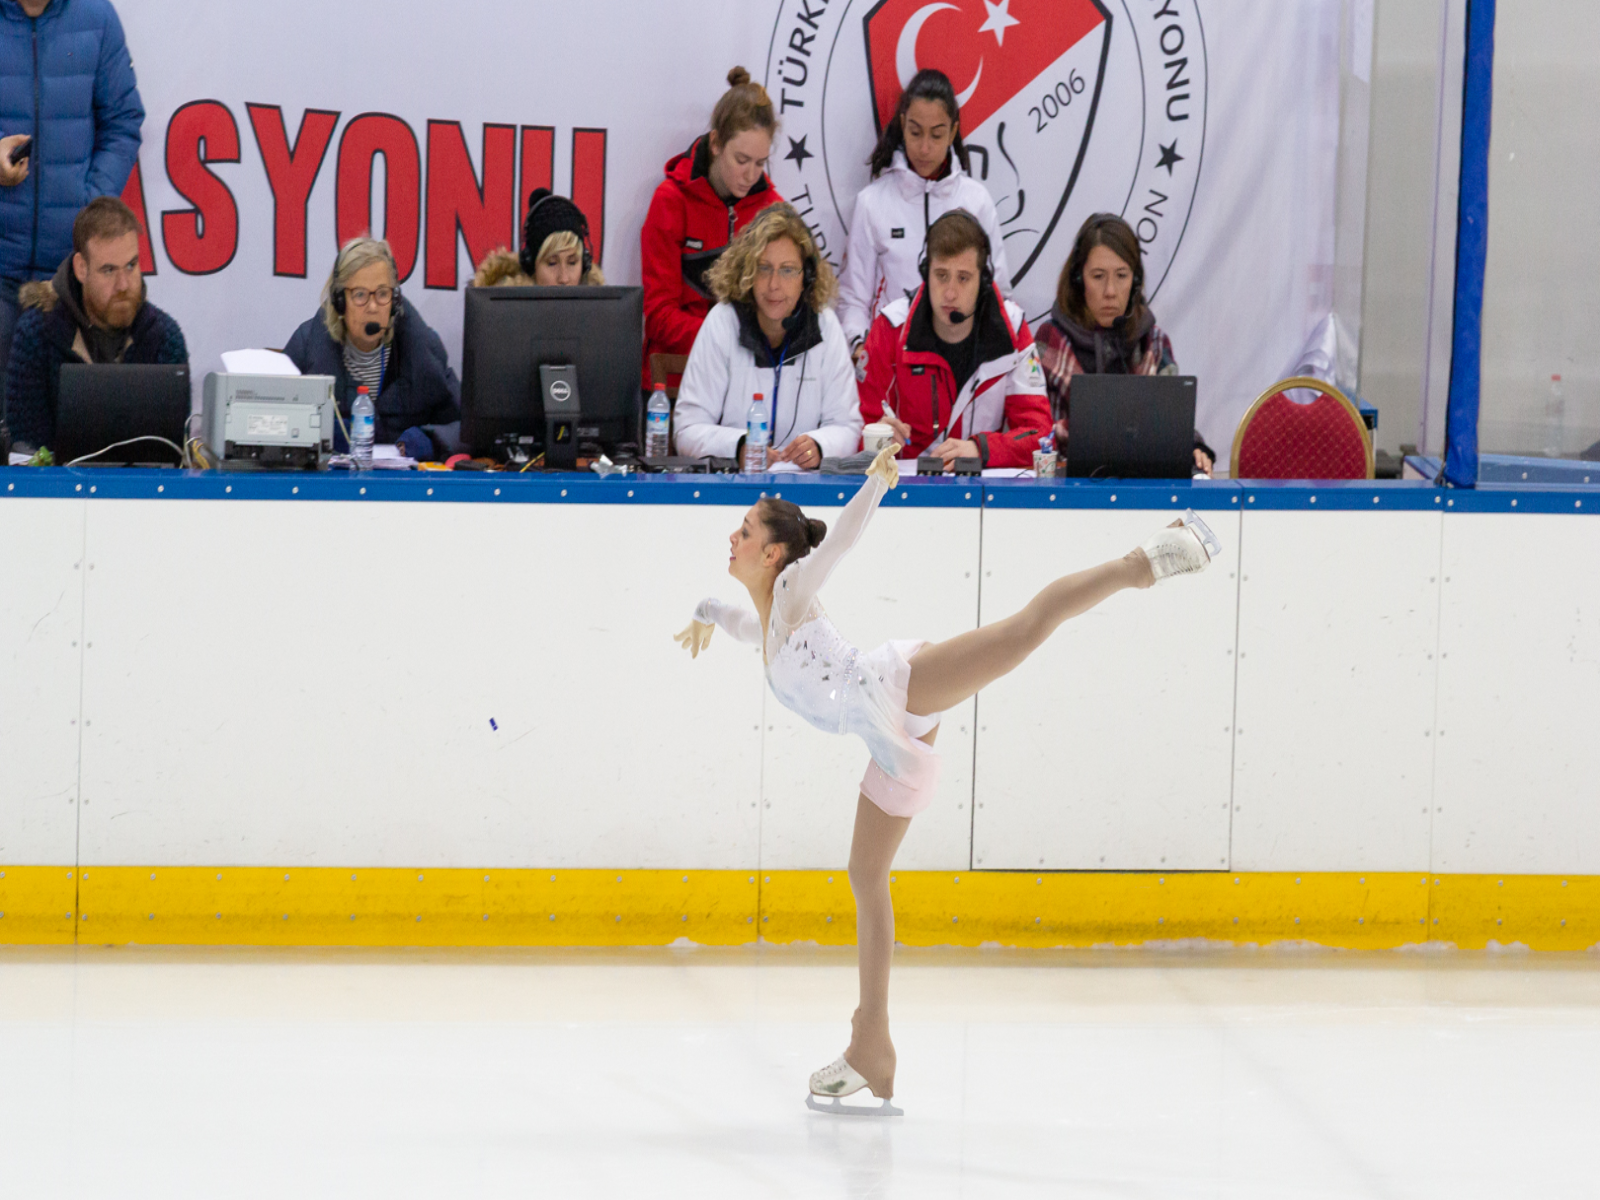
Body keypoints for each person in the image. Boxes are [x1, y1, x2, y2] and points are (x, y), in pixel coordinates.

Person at [674, 446, 1220, 1113]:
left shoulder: (791, 591)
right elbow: (722, 611)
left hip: (896, 685)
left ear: (773, 554)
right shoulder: (764, 621)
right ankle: (870, 1043)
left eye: (745, 531)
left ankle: (1145, 562)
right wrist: (700, 616)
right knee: (865, 873)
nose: (732, 537)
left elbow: (838, 543)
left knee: (1023, 631)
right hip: (887, 736)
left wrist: (876, 484)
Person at [1, 0, 144, 384]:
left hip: (70, 279)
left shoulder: (97, 16)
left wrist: (90, 203)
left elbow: (123, 122)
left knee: (68, 416)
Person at [837, 69, 1011, 370]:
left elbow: (999, 294)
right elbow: (853, 298)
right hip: (892, 364)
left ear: (953, 132)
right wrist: (860, 346)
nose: (925, 148)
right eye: (916, 132)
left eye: (937, 134)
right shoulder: (872, 202)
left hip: (961, 365)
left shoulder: (977, 201)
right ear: (903, 124)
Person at [856, 210, 1050, 471]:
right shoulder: (891, 328)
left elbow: (1040, 434)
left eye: (963, 278)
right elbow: (855, 429)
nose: (949, 293)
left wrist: (981, 450)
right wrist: (874, 438)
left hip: (981, 487)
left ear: (983, 280)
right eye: (941, 275)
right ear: (926, 273)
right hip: (905, 487)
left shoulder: (1012, 328)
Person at [672, 203, 861, 468]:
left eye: (787, 270)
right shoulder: (723, 321)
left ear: (806, 277)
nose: (774, 284)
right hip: (734, 483)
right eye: (763, 268)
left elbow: (847, 427)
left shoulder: (825, 326)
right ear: (747, 273)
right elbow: (687, 429)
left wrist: (820, 446)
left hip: (803, 484)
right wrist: (738, 446)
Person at [2, 196, 185, 457]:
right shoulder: (37, 334)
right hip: (56, 483)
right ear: (81, 268)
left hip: (145, 483)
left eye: (131, 266)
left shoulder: (165, 337)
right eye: (108, 270)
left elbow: (173, 454)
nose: (123, 285)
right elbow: (27, 449)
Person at [1035, 213, 1216, 473]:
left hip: (1142, 486)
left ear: (1135, 281)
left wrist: (1194, 447)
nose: (1110, 291)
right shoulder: (1049, 339)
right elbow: (1035, 432)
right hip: (1067, 486)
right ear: (1078, 279)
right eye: (1098, 276)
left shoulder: (1154, 342)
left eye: (1121, 275)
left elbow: (1171, 423)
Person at [640, 67, 784, 388]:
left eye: (760, 163)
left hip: (747, 384)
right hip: (675, 382)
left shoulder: (773, 210)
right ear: (716, 143)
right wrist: (727, 339)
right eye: (741, 160)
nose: (751, 175)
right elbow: (658, 315)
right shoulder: (671, 200)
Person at [284, 237, 460, 462]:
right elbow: (276, 419)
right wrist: (323, 433)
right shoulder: (307, 345)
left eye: (382, 294)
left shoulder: (422, 349)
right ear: (340, 301)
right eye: (360, 295)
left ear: (395, 300)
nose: (373, 306)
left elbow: (464, 427)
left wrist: (430, 439)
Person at [471, 188, 606, 288]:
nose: (564, 278)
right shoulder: (499, 314)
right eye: (552, 263)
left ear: (584, 265)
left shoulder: (599, 314)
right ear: (531, 266)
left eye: (572, 263)